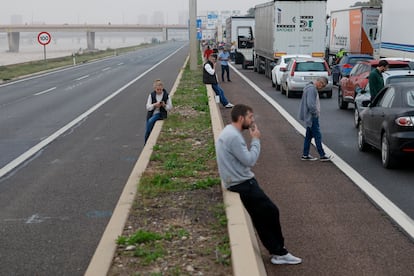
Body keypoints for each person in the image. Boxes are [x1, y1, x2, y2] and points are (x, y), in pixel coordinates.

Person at [215, 104, 302, 265]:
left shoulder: (229, 131)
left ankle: (277, 250)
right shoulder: (233, 137)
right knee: (271, 212)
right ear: (241, 118)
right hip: (243, 183)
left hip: (236, 181)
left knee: (262, 216)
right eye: (250, 117)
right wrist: (255, 140)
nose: (252, 120)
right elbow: (250, 160)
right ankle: (279, 252)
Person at [298, 77, 331, 161]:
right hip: (312, 117)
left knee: (308, 136)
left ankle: (305, 154)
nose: (322, 87)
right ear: (319, 82)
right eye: (322, 85)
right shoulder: (312, 89)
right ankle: (322, 155)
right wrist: (315, 113)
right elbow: (311, 104)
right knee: (317, 135)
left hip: (310, 116)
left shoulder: (309, 88)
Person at [144, 79, 172, 143]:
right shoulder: (151, 95)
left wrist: (164, 105)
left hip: (161, 113)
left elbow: (170, 107)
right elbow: (148, 107)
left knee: (150, 121)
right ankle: (146, 142)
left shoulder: (166, 95)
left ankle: (147, 141)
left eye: (160, 89)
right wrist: (154, 105)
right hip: (151, 114)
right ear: (155, 89)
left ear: (162, 88)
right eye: (157, 90)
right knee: (148, 128)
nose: (159, 91)